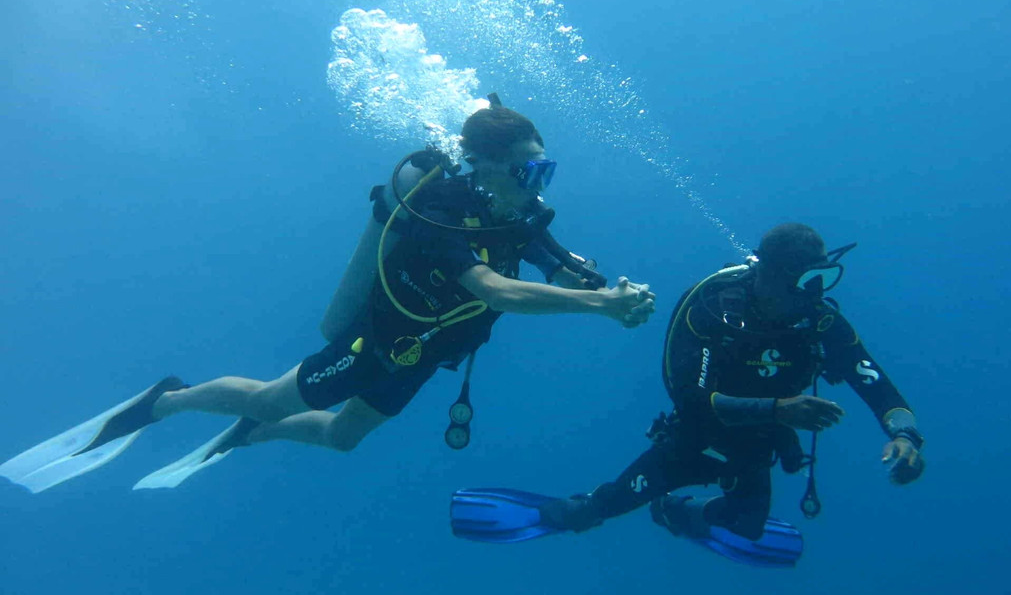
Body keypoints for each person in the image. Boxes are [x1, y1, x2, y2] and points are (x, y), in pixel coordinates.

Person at [1, 101, 656, 493]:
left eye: (545, 169)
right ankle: (163, 401)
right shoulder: (442, 212)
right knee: (268, 394)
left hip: (428, 355)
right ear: (483, 166)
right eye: (527, 170)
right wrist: (599, 309)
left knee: (344, 438)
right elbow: (490, 289)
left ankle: (250, 438)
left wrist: (600, 287)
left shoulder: (521, 217)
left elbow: (555, 268)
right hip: (383, 338)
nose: (537, 185)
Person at [450, 223, 924, 567]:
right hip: (696, 437)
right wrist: (781, 408)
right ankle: (562, 511)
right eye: (806, 281)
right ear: (773, 276)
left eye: (824, 278)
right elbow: (691, 399)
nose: (816, 293)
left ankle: (675, 512)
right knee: (599, 510)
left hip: (759, 444)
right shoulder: (713, 311)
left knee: (746, 527)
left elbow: (872, 379)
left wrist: (904, 435)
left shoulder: (818, 320)